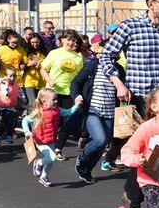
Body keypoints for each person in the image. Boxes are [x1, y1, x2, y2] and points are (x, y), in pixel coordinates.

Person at [99, 0, 159, 208]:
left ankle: (137, 196)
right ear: (151, 4)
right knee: (147, 155)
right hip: (139, 100)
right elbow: (106, 56)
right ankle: (136, 201)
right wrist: (119, 83)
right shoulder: (130, 26)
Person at [70, 50, 126, 184]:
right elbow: (75, 82)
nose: (113, 59)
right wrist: (76, 95)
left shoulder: (119, 70)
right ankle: (82, 158)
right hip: (93, 110)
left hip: (110, 112)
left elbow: (124, 87)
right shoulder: (93, 65)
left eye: (116, 56)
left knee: (103, 144)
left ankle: (86, 170)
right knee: (100, 140)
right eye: (111, 55)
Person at [22, 88, 82, 187]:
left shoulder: (57, 109)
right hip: (40, 140)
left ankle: (44, 177)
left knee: (50, 161)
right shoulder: (39, 112)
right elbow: (25, 120)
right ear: (44, 101)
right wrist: (27, 131)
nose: (56, 101)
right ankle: (39, 162)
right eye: (54, 99)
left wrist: (77, 105)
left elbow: (68, 112)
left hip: (51, 139)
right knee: (52, 158)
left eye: (56, 99)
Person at [40, 30, 84, 161]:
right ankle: (42, 142)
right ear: (62, 40)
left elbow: (80, 76)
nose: (71, 42)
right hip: (53, 91)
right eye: (68, 39)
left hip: (69, 92)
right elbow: (43, 69)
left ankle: (58, 149)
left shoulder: (78, 57)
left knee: (68, 121)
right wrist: (49, 79)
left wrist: (79, 91)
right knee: (50, 120)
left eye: (74, 40)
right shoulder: (54, 53)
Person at [0, 67, 23, 145]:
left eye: (13, 76)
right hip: (4, 105)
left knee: (5, 122)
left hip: (11, 105)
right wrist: (4, 81)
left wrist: (22, 96)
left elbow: (19, 90)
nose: (12, 78)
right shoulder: (3, 82)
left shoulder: (15, 83)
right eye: (10, 76)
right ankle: (9, 135)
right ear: (5, 76)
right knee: (8, 121)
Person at [23, 33, 47, 107]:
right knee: (33, 102)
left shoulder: (45, 52)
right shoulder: (26, 52)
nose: (35, 44)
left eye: (37, 42)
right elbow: (22, 64)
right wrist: (27, 65)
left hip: (42, 80)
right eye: (32, 42)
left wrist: (39, 63)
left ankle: (41, 117)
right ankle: (31, 117)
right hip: (29, 79)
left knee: (42, 102)